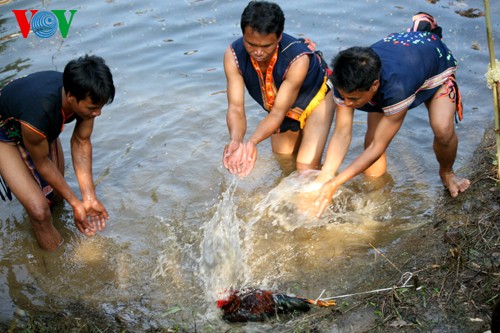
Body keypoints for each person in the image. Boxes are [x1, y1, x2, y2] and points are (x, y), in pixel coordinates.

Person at [314, 13, 470, 216]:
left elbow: (378, 146)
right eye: (344, 98)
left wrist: (336, 182)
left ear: (374, 85)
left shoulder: (396, 89)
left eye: (353, 100)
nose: (347, 104)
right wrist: (324, 177)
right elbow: (342, 133)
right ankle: (375, 191)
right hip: (398, 55)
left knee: (442, 129)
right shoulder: (344, 84)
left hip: (435, 65)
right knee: (370, 135)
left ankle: (447, 173)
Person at [0, 55, 115, 251]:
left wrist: (88, 198)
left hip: (38, 129)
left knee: (57, 197)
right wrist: (75, 203)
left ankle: (59, 229)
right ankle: (57, 266)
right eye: (93, 108)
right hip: (6, 134)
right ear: (71, 97)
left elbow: (81, 141)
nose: (98, 113)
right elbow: (42, 162)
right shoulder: (40, 111)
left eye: (101, 107)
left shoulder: (86, 94)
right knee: (39, 211)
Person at [222, 1, 335, 177]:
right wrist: (236, 141)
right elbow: (236, 108)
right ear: (243, 34)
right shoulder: (233, 55)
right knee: (284, 161)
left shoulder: (297, 59)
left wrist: (252, 142)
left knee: (305, 169)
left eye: (266, 46)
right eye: (251, 44)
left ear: (279, 37)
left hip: (315, 97)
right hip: (280, 105)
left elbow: (277, 114)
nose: (258, 52)